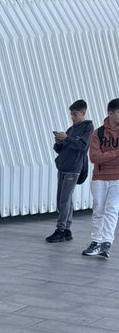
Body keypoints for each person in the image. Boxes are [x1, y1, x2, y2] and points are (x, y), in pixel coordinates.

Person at [46, 99, 94, 243]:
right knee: (64, 199)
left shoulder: (88, 127)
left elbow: (83, 146)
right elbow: (62, 149)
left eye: (75, 114)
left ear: (83, 113)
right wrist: (59, 142)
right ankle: (66, 230)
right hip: (63, 166)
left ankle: (60, 230)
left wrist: (67, 138)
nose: (72, 117)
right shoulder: (71, 129)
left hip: (74, 168)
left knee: (64, 200)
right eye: (71, 115)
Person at [81, 97, 119, 259]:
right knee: (98, 208)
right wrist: (116, 153)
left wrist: (106, 155)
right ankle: (95, 241)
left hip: (117, 177)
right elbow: (94, 157)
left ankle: (106, 243)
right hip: (99, 177)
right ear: (110, 113)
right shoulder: (98, 133)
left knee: (112, 209)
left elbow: (101, 155)